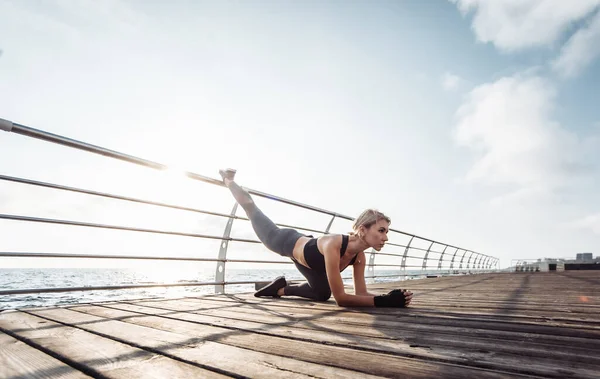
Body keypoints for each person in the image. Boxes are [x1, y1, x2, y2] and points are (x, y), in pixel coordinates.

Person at [220, 169, 413, 308]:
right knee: (252, 210)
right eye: (381, 230)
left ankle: (279, 289)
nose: (385, 237)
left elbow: (360, 294)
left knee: (322, 294)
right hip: (286, 241)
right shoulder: (334, 244)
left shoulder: (359, 257)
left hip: (311, 260)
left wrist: (390, 297)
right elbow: (341, 299)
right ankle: (228, 180)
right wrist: (385, 302)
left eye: (386, 232)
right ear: (362, 229)